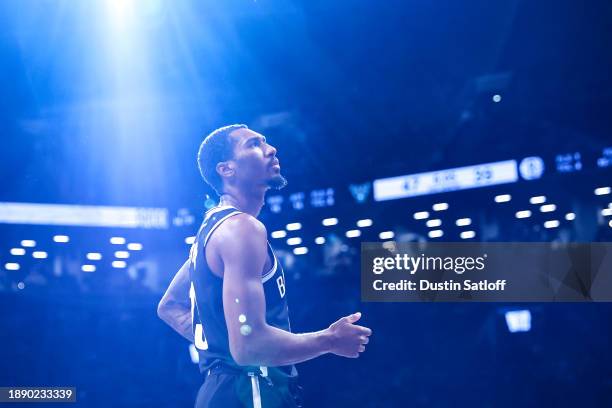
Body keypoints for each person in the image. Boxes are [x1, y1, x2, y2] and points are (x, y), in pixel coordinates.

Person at [157, 124, 372, 407]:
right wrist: (329, 340)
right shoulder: (241, 228)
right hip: (251, 390)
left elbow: (169, 306)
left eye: (266, 142)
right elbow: (250, 347)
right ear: (227, 169)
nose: (271, 150)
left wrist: (221, 349)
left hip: (227, 390)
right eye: (253, 145)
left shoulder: (212, 230)